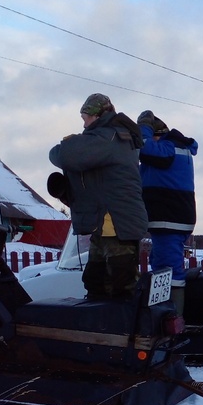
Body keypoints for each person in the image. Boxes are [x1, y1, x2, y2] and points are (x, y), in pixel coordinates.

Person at [48, 93, 148, 300]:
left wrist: (69, 144)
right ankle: (102, 327)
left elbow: (63, 154)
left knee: (122, 285)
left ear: (96, 115)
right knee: (97, 281)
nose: (84, 125)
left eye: (85, 118)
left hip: (116, 224)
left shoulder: (108, 137)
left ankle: (127, 329)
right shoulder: (113, 136)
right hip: (106, 223)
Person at [137, 110, 198, 313]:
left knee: (167, 270)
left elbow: (145, 149)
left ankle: (171, 320)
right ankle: (167, 318)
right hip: (171, 219)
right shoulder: (170, 151)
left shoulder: (169, 148)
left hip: (169, 219)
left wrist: (143, 127)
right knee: (159, 263)